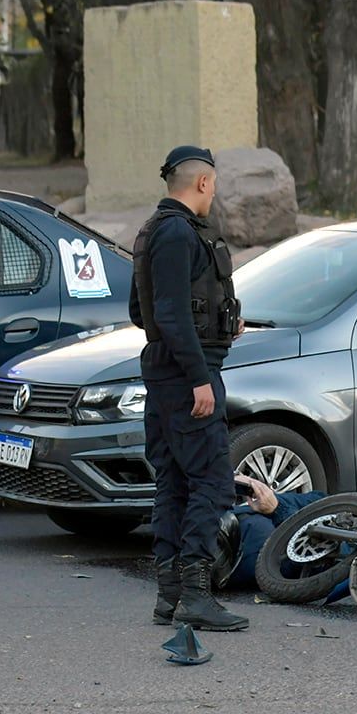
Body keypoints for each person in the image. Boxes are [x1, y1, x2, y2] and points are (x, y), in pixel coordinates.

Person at [130, 145, 247, 632]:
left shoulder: (153, 230)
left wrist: (221, 323)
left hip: (166, 370)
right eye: (213, 185)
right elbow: (172, 314)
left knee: (174, 483)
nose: (214, 193)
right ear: (202, 183)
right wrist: (200, 377)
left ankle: (170, 596)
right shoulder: (179, 232)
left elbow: (141, 312)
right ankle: (196, 595)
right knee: (212, 482)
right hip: (186, 376)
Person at [220, 474, 326, 590]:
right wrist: (255, 487)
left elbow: (311, 549)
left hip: (244, 554)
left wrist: (277, 508)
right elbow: (311, 500)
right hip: (229, 524)